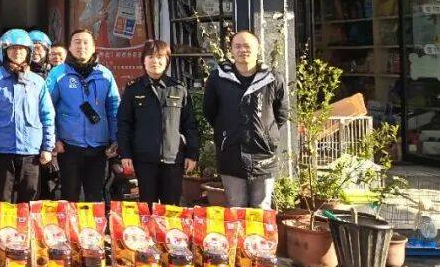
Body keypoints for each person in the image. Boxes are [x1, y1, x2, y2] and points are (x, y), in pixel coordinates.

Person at [203, 30, 290, 209]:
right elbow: (210, 111)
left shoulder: (272, 78)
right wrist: (226, 132)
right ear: (231, 50)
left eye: (247, 46)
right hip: (230, 152)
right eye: (238, 46)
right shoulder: (218, 78)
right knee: (236, 208)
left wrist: (266, 134)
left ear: (258, 49)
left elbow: (281, 113)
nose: (242, 50)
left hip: (263, 153)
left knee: (261, 208)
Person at [0, 29, 56, 203]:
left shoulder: (38, 82)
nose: (17, 52)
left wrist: (47, 147)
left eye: (22, 48)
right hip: (2, 151)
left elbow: (47, 116)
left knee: (30, 200)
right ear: (4, 51)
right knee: (1, 201)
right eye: (12, 48)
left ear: (28, 52)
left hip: (31, 151)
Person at [116, 39, 199, 205]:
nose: (155, 61)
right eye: (151, 57)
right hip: (144, 159)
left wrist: (192, 154)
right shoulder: (133, 89)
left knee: (171, 208)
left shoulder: (178, 89)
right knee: (147, 207)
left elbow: (190, 125)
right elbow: (124, 125)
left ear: (167, 60)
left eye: (160, 57)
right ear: (144, 61)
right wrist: (125, 154)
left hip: (173, 159)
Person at [47, 28, 121, 202]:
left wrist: (115, 139)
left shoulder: (105, 74)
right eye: (77, 42)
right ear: (70, 47)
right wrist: (54, 139)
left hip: (98, 146)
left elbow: (114, 109)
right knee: (69, 195)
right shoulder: (58, 74)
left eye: (86, 42)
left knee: (95, 196)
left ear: (94, 47)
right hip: (68, 145)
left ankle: (94, 221)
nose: (82, 46)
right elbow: (48, 109)